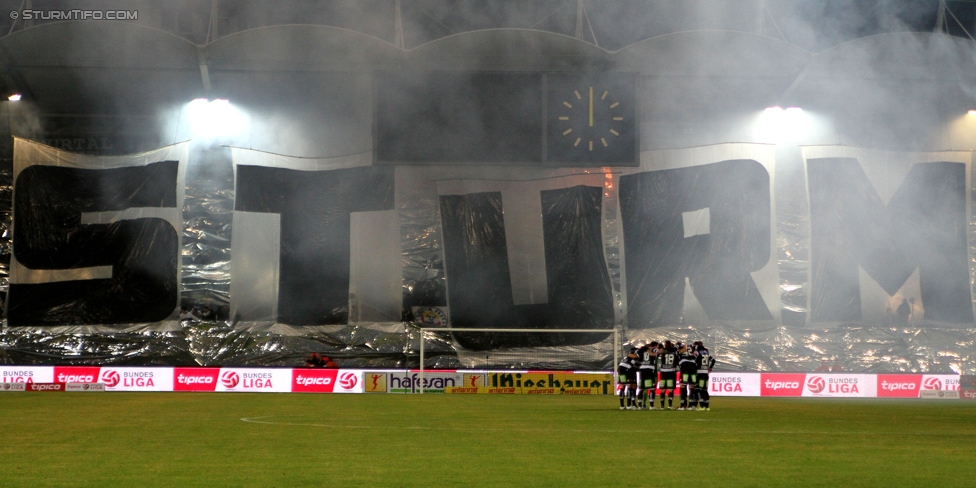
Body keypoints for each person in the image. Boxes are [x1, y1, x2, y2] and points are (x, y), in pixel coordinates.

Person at [635, 342, 659, 410]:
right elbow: (655, 354)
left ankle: (640, 406)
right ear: (655, 346)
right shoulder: (653, 349)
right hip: (650, 370)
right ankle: (651, 406)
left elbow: (636, 355)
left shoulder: (641, 350)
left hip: (642, 370)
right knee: (651, 388)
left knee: (642, 388)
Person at [656, 341, 679, 410]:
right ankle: (669, 405)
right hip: (671, 371)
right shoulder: (675, 351)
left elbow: (657, 353)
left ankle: (662, 406)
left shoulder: (663, 351)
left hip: (663, 371)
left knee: (662, 389)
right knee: (670, 389)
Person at [694, 341, 716, 411]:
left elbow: (696, 361)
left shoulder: (697, 352)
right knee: (705, 390)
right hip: (706, 373)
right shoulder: (706, 353)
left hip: (699, 373)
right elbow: (713, 360)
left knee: (699, 389)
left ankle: (702, 406)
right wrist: (710, 367)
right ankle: (707, 406)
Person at [677, 343, 698, 410]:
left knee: (683, 385)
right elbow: (697, 355)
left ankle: (683, 405)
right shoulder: (694, 348)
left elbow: (678, 353)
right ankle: (691, 405)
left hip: (685, 366)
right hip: (693, 367)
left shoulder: (681, 348)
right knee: (692, 386)